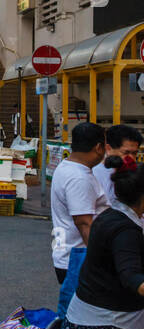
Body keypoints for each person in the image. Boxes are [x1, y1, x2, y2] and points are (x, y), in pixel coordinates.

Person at [58, 154, 144, 329]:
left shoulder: (110, 216)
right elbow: (131, 276)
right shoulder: (126, 230)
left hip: (86, 322)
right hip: (108, 328)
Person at [50, 121, 107, 285]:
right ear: (98, 147)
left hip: (68, 254)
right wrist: (100, 262)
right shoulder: (79, 178)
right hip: (77, 259)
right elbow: (84, 223)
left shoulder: (67, 167)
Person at [94, 124, 142, 207]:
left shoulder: (136, 172)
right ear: (108, 149)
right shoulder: (94, 175)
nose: (131, 158)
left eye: (134, 153)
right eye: (125, 153)